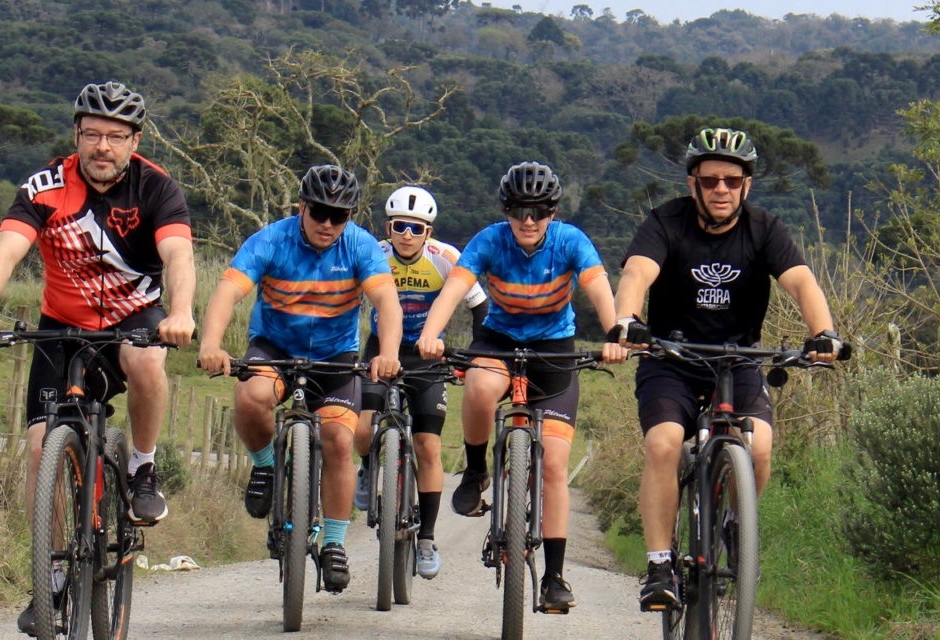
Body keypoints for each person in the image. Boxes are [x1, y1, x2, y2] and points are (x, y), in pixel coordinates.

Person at [0, 81, 196, 635]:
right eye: (91, 135)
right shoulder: (44, 187)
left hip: (135, 318)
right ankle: (53, 576)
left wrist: (179, 312)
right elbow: (4, 253)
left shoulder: (157, 188)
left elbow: (178, 253)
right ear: (76, 137)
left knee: (147, 361)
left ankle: (141, 467)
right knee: (42, 448)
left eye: (115, 136)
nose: (102, 147)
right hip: (61, 328)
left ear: (134, 141)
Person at [607, 127, 842, 611]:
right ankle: (658, 566)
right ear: (692, 182)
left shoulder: (765, 229)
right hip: (671, 359)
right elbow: (637, 272)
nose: (721, 190)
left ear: (746, 186)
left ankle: (738, 523)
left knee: (758, 447)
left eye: (732, 181)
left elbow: (801, 282)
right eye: (710, 180)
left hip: (739, 360)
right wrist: (626, 321)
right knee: (664, 443)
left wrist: (824, 333)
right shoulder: (665, 221)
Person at [416, 161, 626, 612]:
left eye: (538, 211)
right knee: (477, 385)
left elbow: (598, 290)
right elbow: (454, 289)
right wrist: (430, 333)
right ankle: (475, 472)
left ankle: (553, 576)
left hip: (555, 350)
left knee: (553, 463)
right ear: (506, 210)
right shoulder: (490, 240)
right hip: (500, 340)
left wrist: (614, 337)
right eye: (518, 210)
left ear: (553, 211)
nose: (528, 221)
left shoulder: (571, 241)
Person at [197, 164, 403, 593]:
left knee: (340, 440)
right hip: (275, 348)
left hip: (335, 356)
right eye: (320, 213)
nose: (328, 223)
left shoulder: (361, 246)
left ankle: (333, 543)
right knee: (251, 396)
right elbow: (228, 291)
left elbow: (386, 299)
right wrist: (212, 344)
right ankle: (266, 468)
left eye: (339, 215)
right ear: (302, 207)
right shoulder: (271, 239)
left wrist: (387, 354)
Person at [352, 185, 490, 580]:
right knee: (362, 426)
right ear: (388, 228)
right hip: (381, 348)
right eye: (400, 226)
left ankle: (427, 538)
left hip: (428, 356)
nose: (407, 235)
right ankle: (367, 466)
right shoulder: (374, 256)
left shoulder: (446, 259)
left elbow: (479, 306)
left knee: (428, 446)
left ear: (428, 232)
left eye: (416, 228)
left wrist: (473, 356)